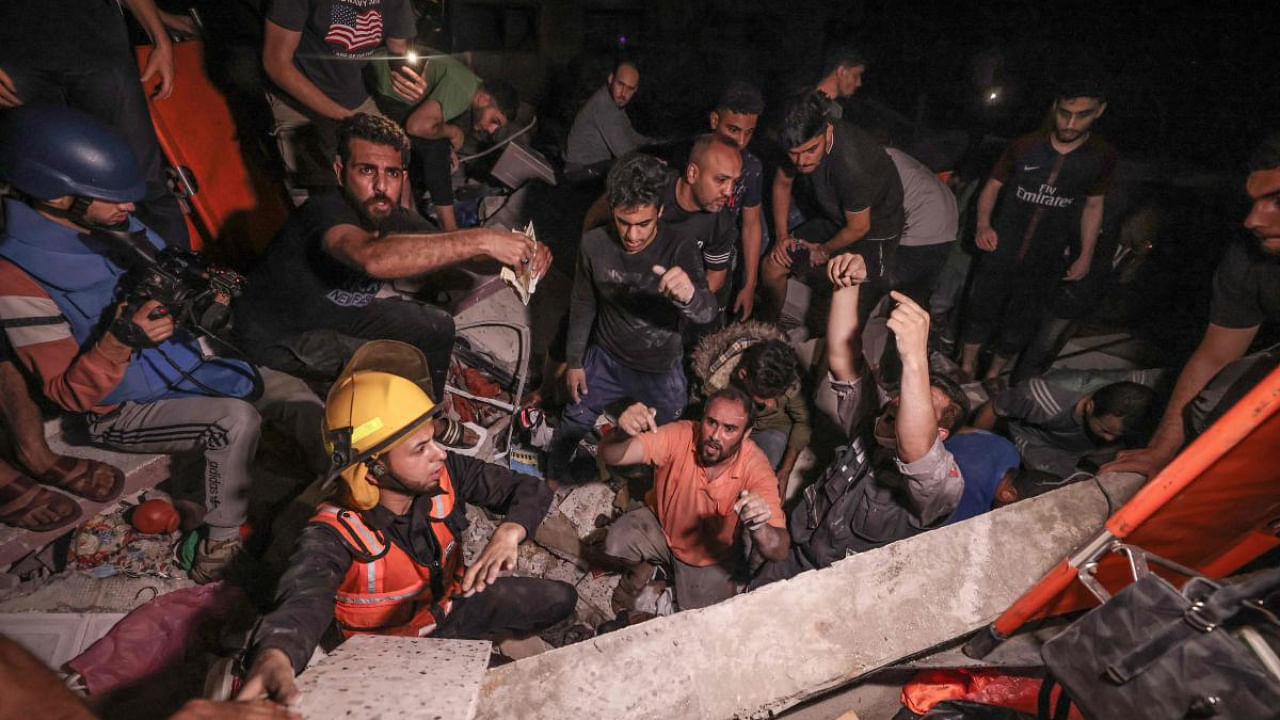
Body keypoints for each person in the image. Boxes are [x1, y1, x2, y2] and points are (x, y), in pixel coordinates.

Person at [0, 107, 327, 582]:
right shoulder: (15, 276)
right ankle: (219, 544)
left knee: (292, 392)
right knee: (234, 422)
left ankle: (343, 491)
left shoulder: (116, 225)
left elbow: (172, 272)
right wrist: (120, 340)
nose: (130, 207)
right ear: (56, 195)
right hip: (120, 409)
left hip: (187, 365)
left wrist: (206, 290)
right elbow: (66, 395)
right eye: (111, 197)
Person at [236, 343, 575, 705]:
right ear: (372, 468)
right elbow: (304, 599)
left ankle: (484, 645)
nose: (440, 454)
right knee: (499, 696)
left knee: (561, 599)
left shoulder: (445, 474)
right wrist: (278, 652)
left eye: (433, 440)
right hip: (396, 654)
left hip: (451, 606)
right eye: (420, 449)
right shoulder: (332, 535)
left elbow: (529, 488)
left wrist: (511, 530)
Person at [235, 113, 550, 407]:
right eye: (367, 170)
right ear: (339, 170)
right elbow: (370, 257)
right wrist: (483, 237)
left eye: (393, 173)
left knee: (436, 326)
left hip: (339, 313)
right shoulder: (323, 211)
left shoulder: (392, 215)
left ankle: (429, 414)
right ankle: (398, 429)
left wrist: (518, 254)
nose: (382, 187)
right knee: (388, 364)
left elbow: (457, 253)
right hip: (280, 335)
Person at [752, 254, 1016, 586]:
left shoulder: (942, 488)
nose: (906, 402)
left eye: (921, 404)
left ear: (942, 433)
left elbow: (917, 451)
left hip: (842, 586)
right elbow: (841, 359)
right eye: (908, 392)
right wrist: (847, 287)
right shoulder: (874, 418)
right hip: (798, 548)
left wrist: (915, 356)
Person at [1105, 134, 1280, 478]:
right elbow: (1216, 356)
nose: (1253, 220)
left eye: (1278, 201)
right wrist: (1160, 451)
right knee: (1216, 403)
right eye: (1254, 202)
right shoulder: (1248, 258)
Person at [547, 152, 718, 485]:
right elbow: (583, 302)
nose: (633, 235)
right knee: (573, 420)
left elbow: (707, 313)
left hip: (660, 369)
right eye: (624, 222)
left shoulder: (679, 247)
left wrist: (690, 296)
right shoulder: (594, 244)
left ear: (661, 212)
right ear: (611, 209)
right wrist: (575, 361)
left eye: (644, 224)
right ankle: (552, 479)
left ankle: (629, 483)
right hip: (605, 358)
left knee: (659, 439)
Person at [959, 78, 1117, 380]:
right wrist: (983, 224)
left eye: (1082, 114)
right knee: (981, 305)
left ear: (1099, 111)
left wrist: (1085, 254)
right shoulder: (1025, 145)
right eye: (1065, 113)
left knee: (1023, 317)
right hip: (1002, 244)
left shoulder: (1101, 156)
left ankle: (994, 375)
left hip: (1048, 252)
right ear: (1054, 107)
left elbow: (1094, 206)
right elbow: (992, 186)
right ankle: (966, 367)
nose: (1071, 123)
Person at [0, 0, 190, 247]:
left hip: (97, 47)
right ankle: (84, 280)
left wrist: (159, 38)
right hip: (17, 63)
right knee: (44, 191)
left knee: (141, 179)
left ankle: (181, 273)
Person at [600, 387, 789, 612]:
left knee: (707, 617)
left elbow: (779, 551)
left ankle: (664, 577)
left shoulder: (755, 467)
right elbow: (610, 455)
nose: (715, 436)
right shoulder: (682, 434)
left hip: (706, 559)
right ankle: (644, 569)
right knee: (616, 541)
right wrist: (622, 432)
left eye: (730, 429)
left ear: (746, 434)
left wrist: (760, 527)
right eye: (711, 422)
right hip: (659, 526)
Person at [762, 91, 905, 322]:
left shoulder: (851, 164)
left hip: (876, 229)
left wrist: (824, 250)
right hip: (836, 218)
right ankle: (765, 332)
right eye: (794, 154)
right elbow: (782, 184)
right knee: (773, 264)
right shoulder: (793, 140)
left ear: (828, 131)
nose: (802, 161)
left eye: (811, 150)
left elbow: (859, 227)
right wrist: (781, 236)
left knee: (848, 306)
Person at [263, 0, 424, 192]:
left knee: (394, 184)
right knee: (320, 196)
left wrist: (409, 77)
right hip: (298, 102)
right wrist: (347, 118)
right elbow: (276, 63)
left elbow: (398, 49)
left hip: (354, 98)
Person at [691, 325, 810, 498]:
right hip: (728, 425)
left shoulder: (788, 377)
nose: (771, 404)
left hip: (768, 428)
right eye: (764, 397)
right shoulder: (717, 382)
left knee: (758, 478)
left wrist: (785, 471)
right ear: (742, 375)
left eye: (776, 396)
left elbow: (803, 421)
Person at [973, 369, 1161, 478]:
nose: (1109, 439)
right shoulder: (1041, 398)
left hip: (1083, 445)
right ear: (1090, 406)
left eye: (1117, 435)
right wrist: (973, 448)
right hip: (1042, 442)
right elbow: (994, 407)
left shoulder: (1140, 383)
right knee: (1054, 485)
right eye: (1106, 430)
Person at [708, 80, 768, 320]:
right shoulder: (692, 154)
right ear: (714, 121)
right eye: (733, 130)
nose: (741, 141)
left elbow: (751, 225)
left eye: (749, 132)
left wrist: (750, 285)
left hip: (723, 256)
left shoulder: (752, 167)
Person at [886, 147, 959, 305]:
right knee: (915, 298)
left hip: (923, 229)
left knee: (892, 290)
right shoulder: (896, 157)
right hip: (945, 229)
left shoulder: (876, 161)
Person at [565, 59, 656, 178]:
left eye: (629, 88)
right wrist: (654, 164)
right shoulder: (604, 105)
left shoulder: (614, 101)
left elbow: (629, 133)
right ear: (611, 79)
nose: (623, 93)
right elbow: (625, 153)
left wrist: (653, 142)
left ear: (635, 90)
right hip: (580, 171)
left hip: (594, 166)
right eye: (620, 84)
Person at [814, 44, 867, 120]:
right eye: (855, 76)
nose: (859, 83)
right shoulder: (803, 101)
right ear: (841, 71)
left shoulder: (836, 111)